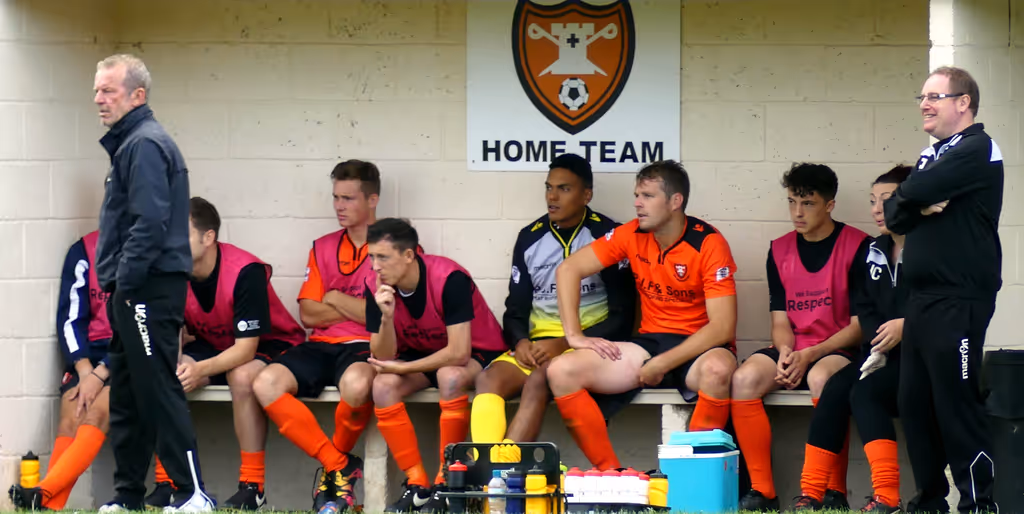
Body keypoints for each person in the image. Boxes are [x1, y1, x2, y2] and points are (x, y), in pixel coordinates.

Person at [546, 160, 739, 471]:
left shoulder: (708, 242)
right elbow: (568, 269)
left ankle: (692, 477)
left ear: (675, 202)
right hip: (649, 343)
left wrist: (664, 363)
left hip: (701, 348)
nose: (637, 203)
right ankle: (613, 475)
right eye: (637, 195)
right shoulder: (630, 233)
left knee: (718, 371)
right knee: (561, 370)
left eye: (647, 196)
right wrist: (575, 337)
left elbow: (722, 327)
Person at [92, 53, 213, 512]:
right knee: (126, 392)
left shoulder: (144, 143)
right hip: (132, 289)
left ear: (137, 95)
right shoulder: (130, 143)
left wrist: (126, 281)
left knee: (157, 388)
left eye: (109, 90)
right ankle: (128, 497)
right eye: (97, 90)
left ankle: (192, 493)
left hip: (146, 288)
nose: (99, 99)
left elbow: (149, 222)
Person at [883, 66, 1004, 514]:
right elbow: (896, 212)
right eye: (921, 96)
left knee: (956, 403)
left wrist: (914, 196)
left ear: (963, 103)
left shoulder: (978, 148)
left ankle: (978, 503)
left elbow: (914, 189)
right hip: (920, 302)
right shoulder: (935, 153)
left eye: (935, 96)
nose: (924, 104)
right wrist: (913, 201)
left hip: (959, 300)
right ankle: (929, 501)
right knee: (913, 404)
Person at [142, 198, 306, 510]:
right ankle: (169, 481)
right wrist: (178, 365)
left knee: (241, 376)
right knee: (165, 374)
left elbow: (246, 349)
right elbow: (171, 330)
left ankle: (252, 485)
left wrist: (200, 370)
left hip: (270, 344)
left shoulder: (246, 270)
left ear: (208, 237)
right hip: (213, 343)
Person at [470, 154, 635, 450]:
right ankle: (487, 469)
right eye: (548, 188)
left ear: (587, 194)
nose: (552, 197)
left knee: (537, 382)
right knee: (488, 380)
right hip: (536, 349)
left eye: (564, 189)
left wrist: (564, 344)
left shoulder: (608, 236)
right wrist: (520, 342)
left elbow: (623, 317)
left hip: (586, 347)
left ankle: (499, 474)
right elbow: (515, 310)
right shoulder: (529, 237)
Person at [732, 163, 869, 512]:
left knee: (824, 378)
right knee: (745, 378)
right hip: (796, 348)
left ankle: (832, 492)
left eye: (807, 203)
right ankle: (763, 493)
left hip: (837, 348)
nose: (797, 212)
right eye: (792, 201)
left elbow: (858, 326)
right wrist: (787, 352)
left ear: (829, 204)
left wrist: (810, 356)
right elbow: (779, 319)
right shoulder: (778, 249)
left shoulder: (859, 246)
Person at [251, 160, 384, 513]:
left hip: (366, 347)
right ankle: (338, 465)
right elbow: (308, 314)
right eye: (336, 197)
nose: (339, 206)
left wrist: (337, 299)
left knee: (357, 386)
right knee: (265, 384)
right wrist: (358, 308)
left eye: (349, 198)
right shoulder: (323, 246)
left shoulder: (394, 246)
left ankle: (334, 473)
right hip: (320, 345)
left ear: (373, 200)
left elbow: (382, 318)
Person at [364, 218, 507, 513]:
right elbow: (382, 354)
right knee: (382, 384)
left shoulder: (448, 277)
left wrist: (404, 369)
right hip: (421, 355)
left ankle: (447, 481)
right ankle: (417, 483)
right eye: (372, 257)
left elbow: (457, 352)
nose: (375, 266)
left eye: (383, 257)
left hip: (475, 353)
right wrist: (386, 318)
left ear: (408, 255)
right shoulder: (375, 285)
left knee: (450, 377)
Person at [792, 165, 912, 513]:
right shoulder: (873, 249)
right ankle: (811, 493)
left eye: (886, 201)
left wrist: (906, 328)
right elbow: (865, 310)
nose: (876, 209)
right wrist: (878, 345)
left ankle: (887, 497)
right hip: (879, 355)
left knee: (865, 391)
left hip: (921, 357)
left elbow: (939, 306)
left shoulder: (930, 247)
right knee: (834, 388)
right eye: (873, 201)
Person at [7, 231, 112, 510]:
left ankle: (43, 494)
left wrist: (104, 372)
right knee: (71, 412)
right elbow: (69, 318)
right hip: (89, 356)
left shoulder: (150, 251)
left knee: (99, 410)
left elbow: (146, 325)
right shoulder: (84, 251)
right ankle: (48, 506)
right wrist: (84, 367)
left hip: (130, 356)